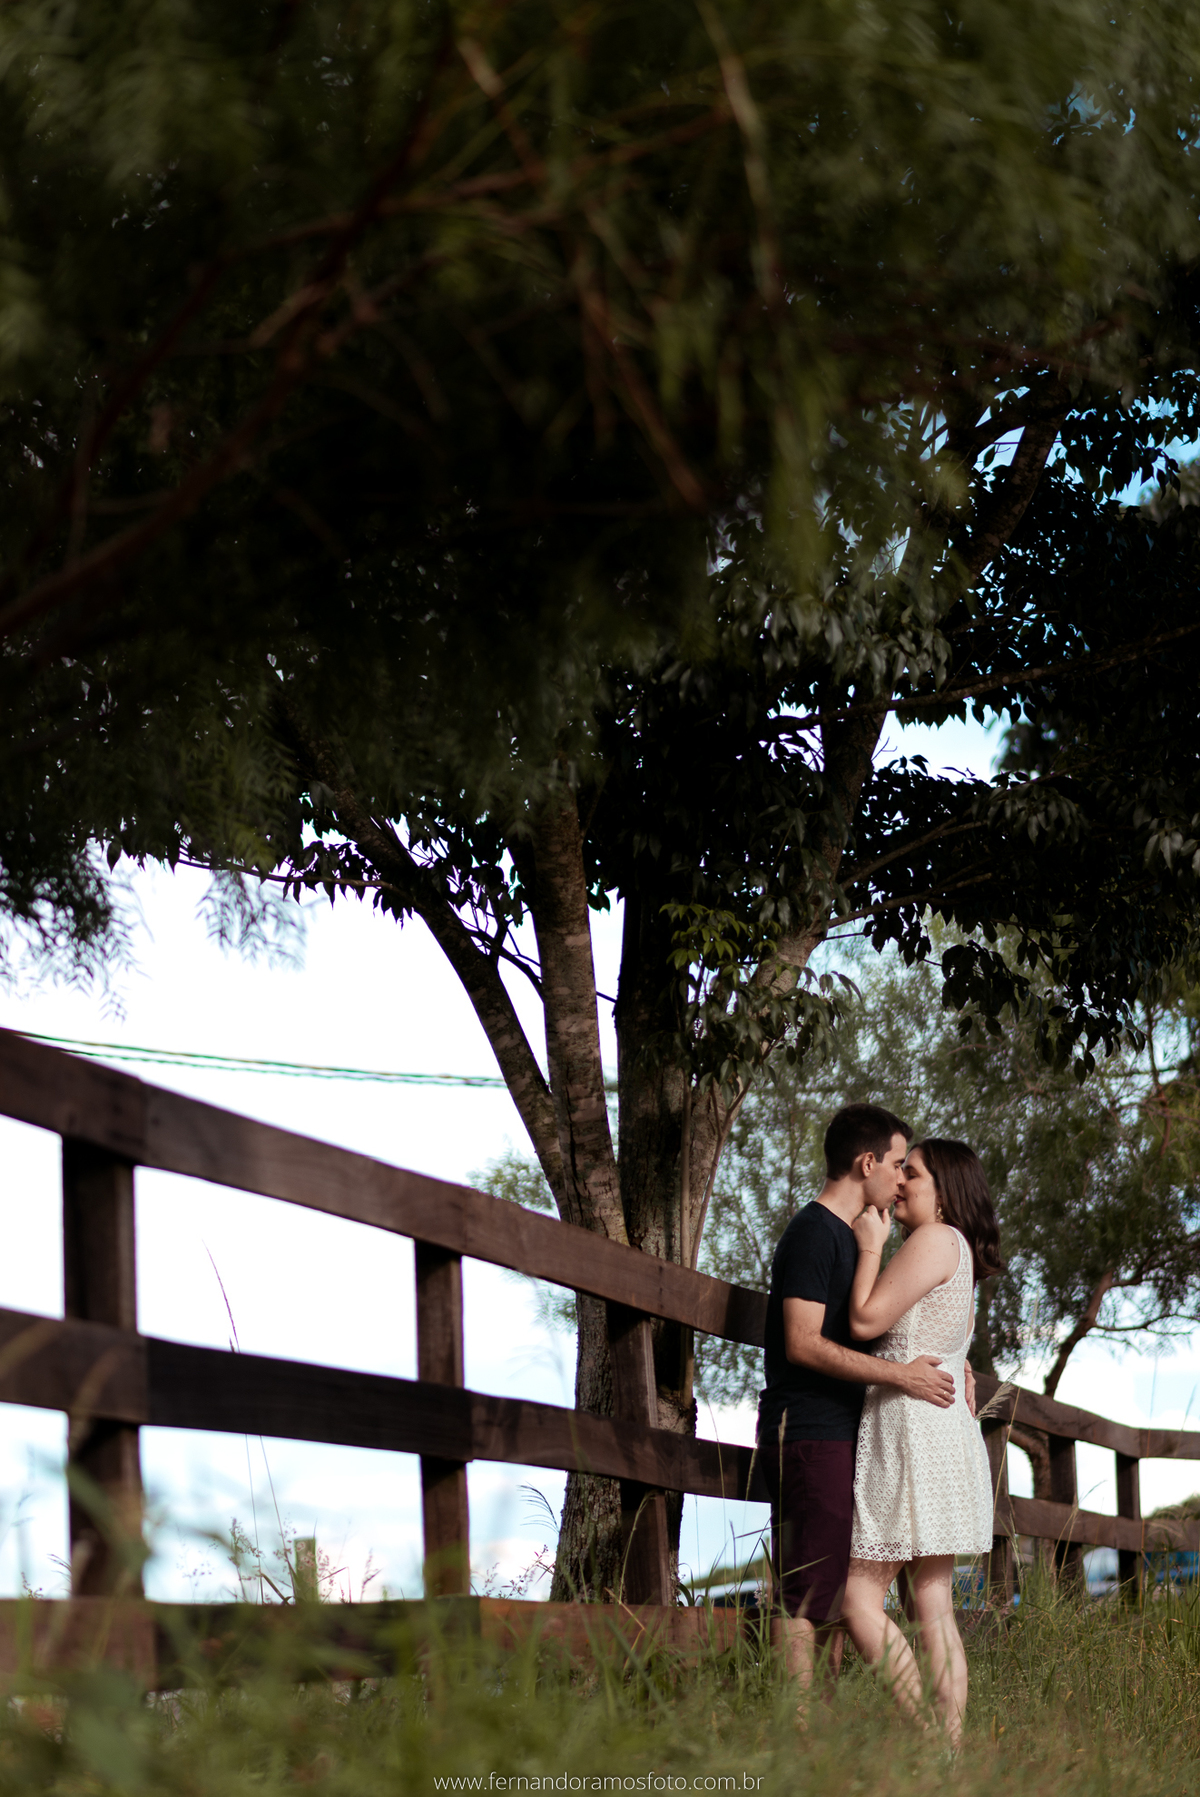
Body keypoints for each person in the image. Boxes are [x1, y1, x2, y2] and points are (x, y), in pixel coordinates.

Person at [757, 1104, 957, 1699]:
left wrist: (957, 1365)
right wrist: (901, 1377)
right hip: (809, 1430)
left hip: (844, 1434)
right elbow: (801, 1343)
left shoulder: (853, 1238)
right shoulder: (813, 1233)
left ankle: (820, 1722)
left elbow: (890, 1324)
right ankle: (793, 1734)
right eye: (897, 1164)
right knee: (804, 1590)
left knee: (833, 1586)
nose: (901, 1179)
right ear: (865, 1162)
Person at [840, 1138, 1003, 1749]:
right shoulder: (955, 1250)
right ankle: (952, 1752)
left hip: (911, 1430)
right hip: (937, 1432)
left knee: (859, 1598)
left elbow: (864, 1320)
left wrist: (870, 1247)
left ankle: (929, 1742)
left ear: (947, 1191)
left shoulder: (933, 1239)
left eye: (915, 1173)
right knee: (933, 1605)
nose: (901, 1181)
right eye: (900, 1170)